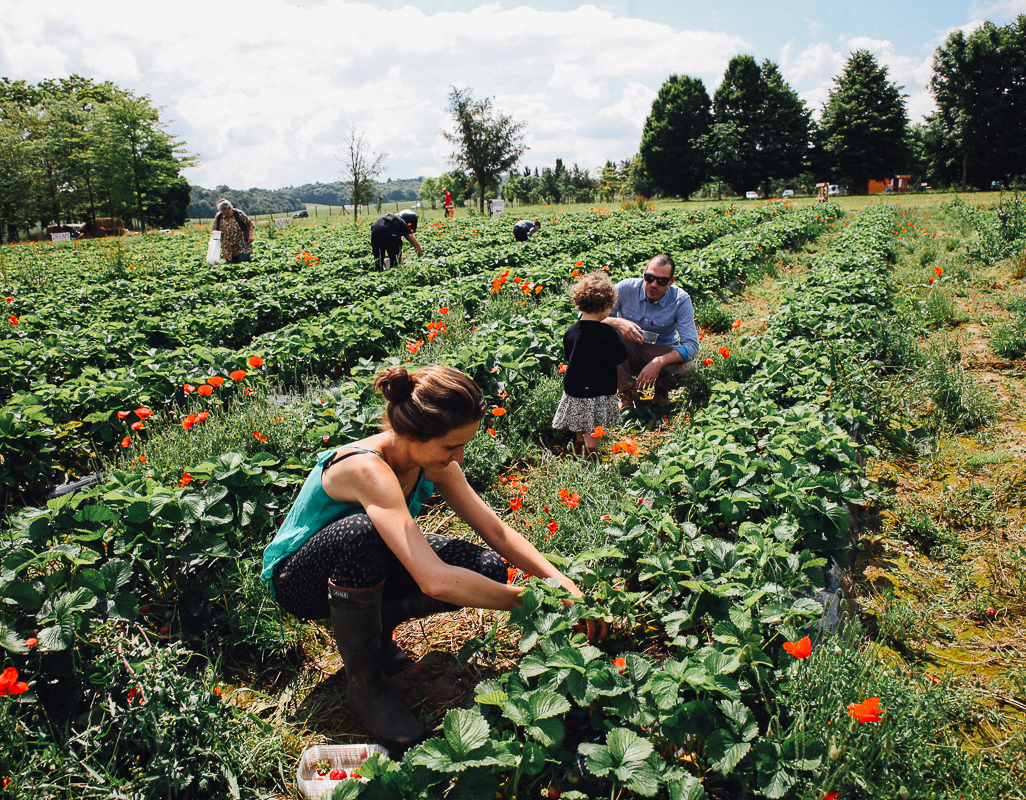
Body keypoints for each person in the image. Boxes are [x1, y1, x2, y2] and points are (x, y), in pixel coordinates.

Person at [261, 365, 599, 751]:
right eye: (450, 446)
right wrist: (530, 600)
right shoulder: (366, 467)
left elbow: (497, 532)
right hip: (299, 581)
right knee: (363, 533)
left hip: (366, 563)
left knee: (485, 567)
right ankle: (364, 684)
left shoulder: (430, 460)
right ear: (409, 434)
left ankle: (377, 631)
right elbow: (434, 580)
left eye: (464, 444)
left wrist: (560, 583)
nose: (459, 455)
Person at [603, 254, 698, 407]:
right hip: (628, 352)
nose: (653, 284)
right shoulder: (625, 288)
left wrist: (659, 362)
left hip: (661, 350)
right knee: (605, 336)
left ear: (671, 281)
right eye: (649, 277)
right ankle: (627, 392)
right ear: (644, 273)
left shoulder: (681, 300)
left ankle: (661, 390)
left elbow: (692, 346)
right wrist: (617, 322)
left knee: (689, 368)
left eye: (661, 281)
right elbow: (592, 320)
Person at [552, 272, 629, 457]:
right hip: (599, 388)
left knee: (580, 421)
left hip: (576, 387)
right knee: (594, 425)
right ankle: (590, 454)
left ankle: (579, 446)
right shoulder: (606, 331)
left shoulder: (572, 330)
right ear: (605, 306)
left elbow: (567, 355)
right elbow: (619, 356)